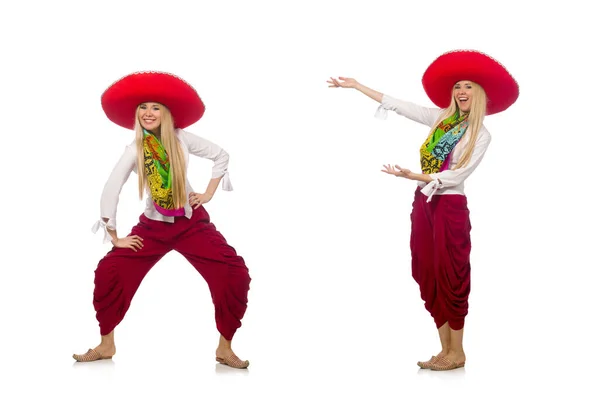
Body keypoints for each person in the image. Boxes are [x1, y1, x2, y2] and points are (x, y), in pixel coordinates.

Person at [327, 50, 518, 371]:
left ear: (480, 94)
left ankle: (458, 351)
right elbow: (402, 106)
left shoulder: (480, 134)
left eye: (469, 86)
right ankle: (444, 350)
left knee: (452, 273)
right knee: (425, 270)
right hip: (424, 203)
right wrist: (358, 86)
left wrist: (417, 176)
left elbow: (458, 174)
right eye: (458, 85)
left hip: (450, 205)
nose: (461, 91)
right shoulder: (441, 119)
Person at [73, 71, 251, 369]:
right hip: (153, 227)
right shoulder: (135, 149)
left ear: (166, 114)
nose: (148, 113)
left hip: (191, 223)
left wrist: (208, 193)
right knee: (109, 270)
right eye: (143, 107)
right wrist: (114, 235)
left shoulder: (181, 138)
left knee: (235, 272)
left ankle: (225, 348)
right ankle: (106, 345)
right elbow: (110, 189)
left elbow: (221, 155)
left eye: (155, 107)